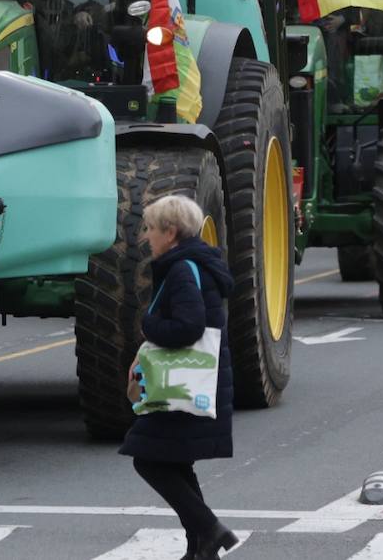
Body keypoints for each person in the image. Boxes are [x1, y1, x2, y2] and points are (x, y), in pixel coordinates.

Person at [121, 195, 238, 560]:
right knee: (174, 460)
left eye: (151, 229)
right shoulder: (194, 264)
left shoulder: (182, 268)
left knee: (149, 459)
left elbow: (188, 327)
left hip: (183, 383)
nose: (147, 237)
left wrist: (148, 325)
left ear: (170, 233)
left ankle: (210, 530)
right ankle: (201, 547)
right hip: (199, 381)